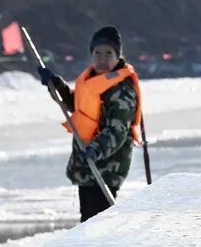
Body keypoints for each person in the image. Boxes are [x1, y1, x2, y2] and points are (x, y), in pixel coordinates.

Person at [38, 25, 142, 222]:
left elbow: (117, 130)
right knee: (87, 220)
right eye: (98, 53)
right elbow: (76, 105)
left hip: (107, 166)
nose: (102, 59)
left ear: (118, 56)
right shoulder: (92, 80)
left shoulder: (121, 90)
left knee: (98, 222)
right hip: (88, 164)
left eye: (108, 54)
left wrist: (96, 149)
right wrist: (56, 86)